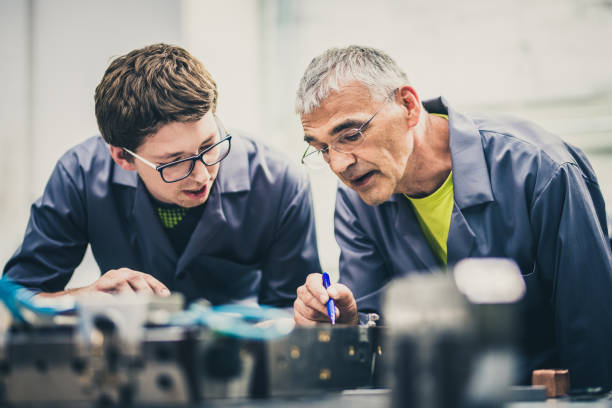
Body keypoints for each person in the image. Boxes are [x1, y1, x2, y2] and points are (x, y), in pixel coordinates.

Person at [292, 45, 612, 389]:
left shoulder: (540, 171)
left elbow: (593, 337)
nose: (339, 165)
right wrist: (348, 325)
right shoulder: (357, 201)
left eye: (351, 134)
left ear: (408, 106)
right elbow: (382, 349)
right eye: (323, 148)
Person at [3, 43, 321, 307]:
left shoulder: (279, 183)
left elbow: (295, 320)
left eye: (209, 145)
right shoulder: (79, 176)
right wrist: (85, 298)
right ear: (122, 157)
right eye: (174, 162)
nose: (201, 175)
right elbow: (16, 299)